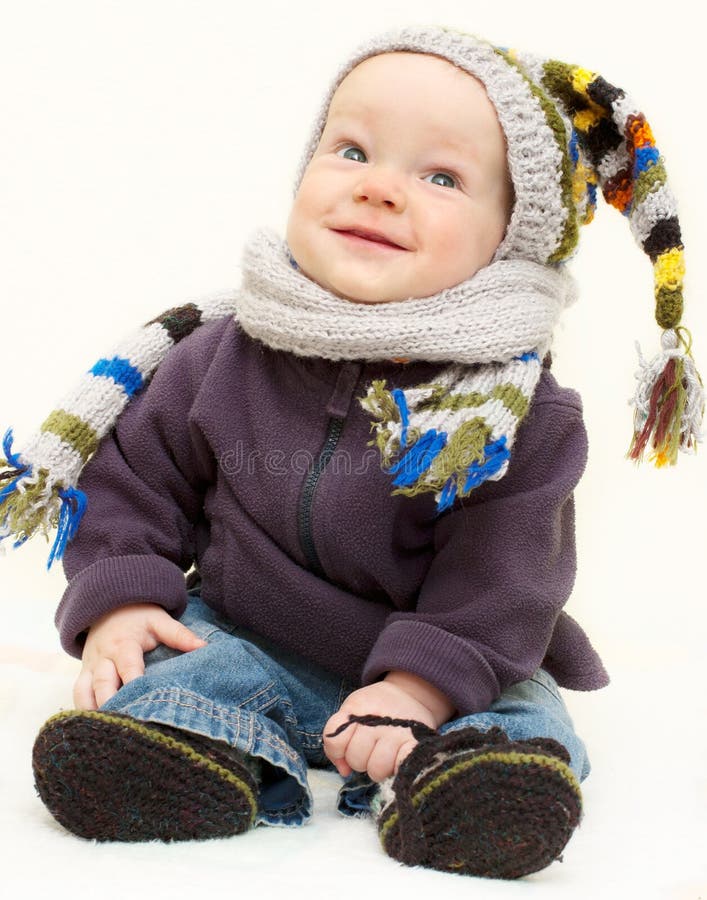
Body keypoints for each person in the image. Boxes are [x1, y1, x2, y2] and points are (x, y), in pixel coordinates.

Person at [2, 23, 702, 882]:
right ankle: (180, 756)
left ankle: (466, 795)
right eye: (352, 150)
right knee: (173, 667)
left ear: (512, 236)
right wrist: (119, 600)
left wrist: (420, 687)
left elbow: (507, 578)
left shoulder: (516, 411)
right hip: (244, 634)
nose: (378, 189)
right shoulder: (221, 353)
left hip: (450, 663)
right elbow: (131, 481)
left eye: (440, 176)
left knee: (524, 719)